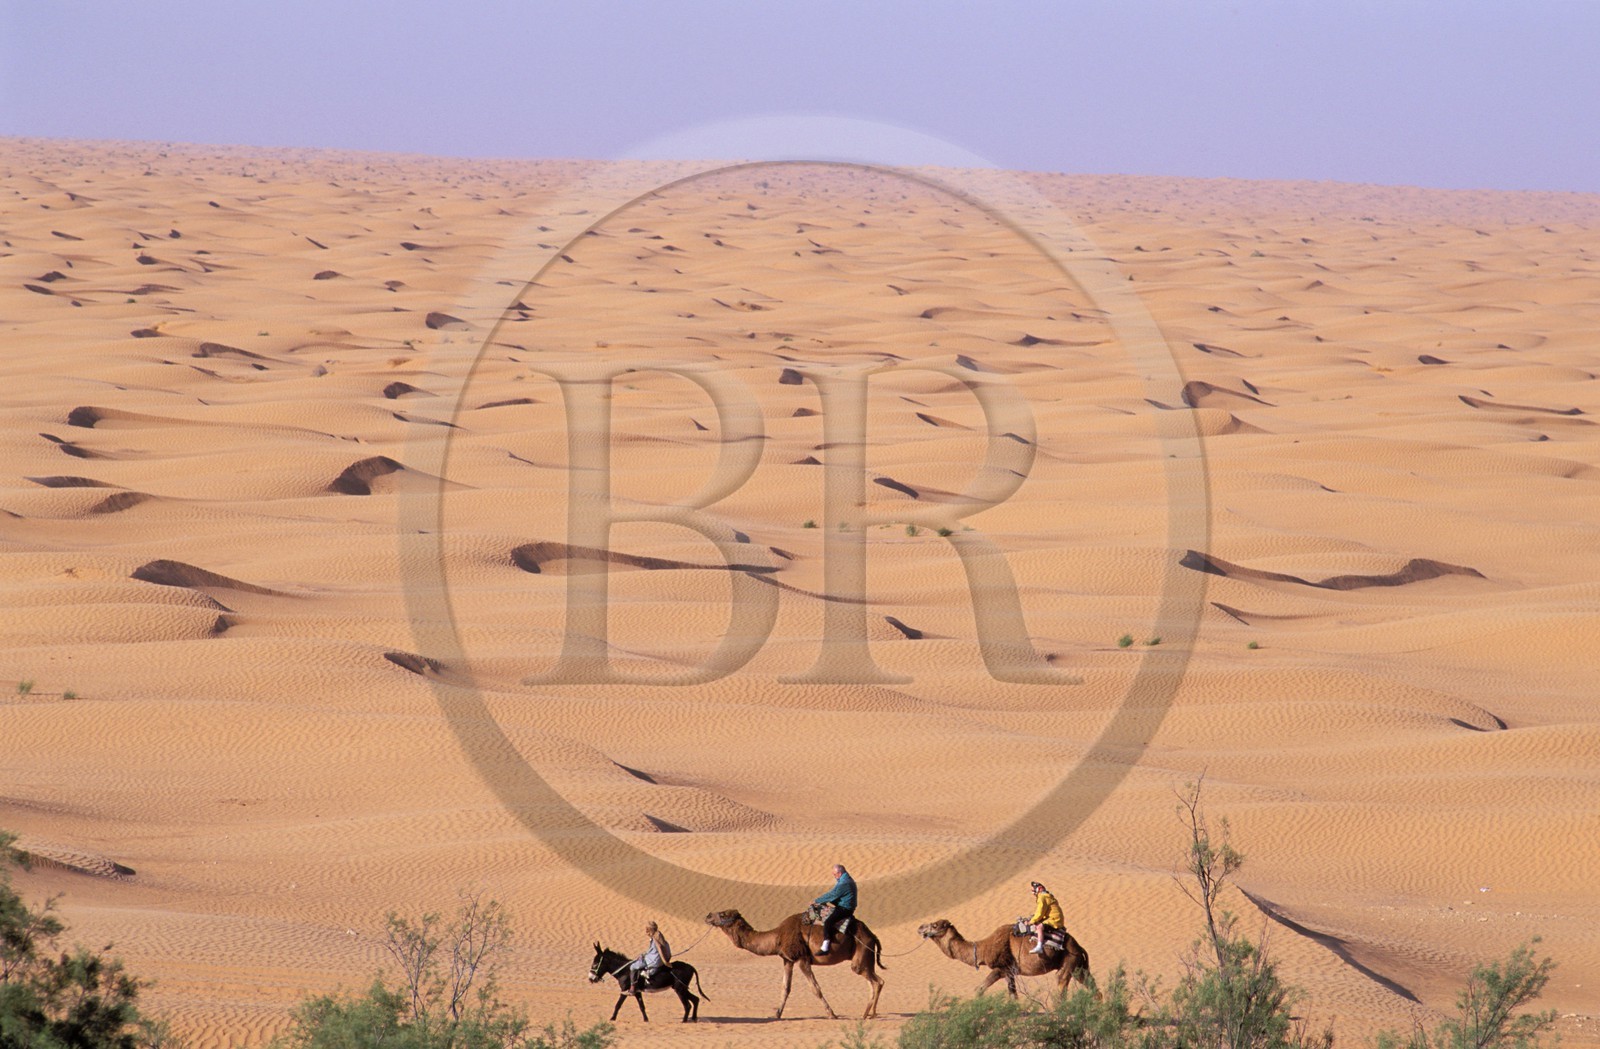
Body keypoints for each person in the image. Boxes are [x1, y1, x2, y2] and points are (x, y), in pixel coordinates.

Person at [812, 863, 857, 956]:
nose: (834, 876)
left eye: (835, 874)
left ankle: (825, 947)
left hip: (845, 908)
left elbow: (833, 894)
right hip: (843, 904)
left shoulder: (844, 883)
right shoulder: (845, 879)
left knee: (828, 922)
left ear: (839, 873)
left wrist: (817, 900)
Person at [625, 920, 671, 992]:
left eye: (647, 929)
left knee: (632, 967)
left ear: (650, 929)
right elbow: (653, 950)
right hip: (655, 959)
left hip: (653, 961)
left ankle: (632, 988)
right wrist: (643, 954)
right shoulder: (658, 935)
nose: (646, 931)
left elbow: (659, 949)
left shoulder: (656, 938)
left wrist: (665, 961)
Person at [1027, 880, 1063, 955]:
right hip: (1055, 918)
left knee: (1039, 927)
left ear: (1038, 889)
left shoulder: (1042, 897)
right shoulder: (1046, 896)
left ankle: (1039, 946)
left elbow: (1040, 913)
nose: (1033, 892)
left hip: (1054, 920)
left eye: (1033, 890)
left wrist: (1031, 921)